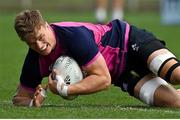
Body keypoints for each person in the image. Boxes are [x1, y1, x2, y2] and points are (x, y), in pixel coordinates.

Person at [13, 9, 180, 108]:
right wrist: (32, 103)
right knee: (175, 102)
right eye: (32, 43)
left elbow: (103, 80)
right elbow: (19, 97)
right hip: (121, 74)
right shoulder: (34, 60)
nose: (40, 46)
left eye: (41, 37)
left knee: (175, 75)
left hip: (130, 42)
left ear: (47, 26)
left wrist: (65, 89)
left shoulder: (73, 36)